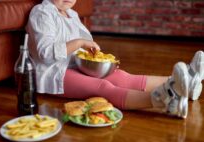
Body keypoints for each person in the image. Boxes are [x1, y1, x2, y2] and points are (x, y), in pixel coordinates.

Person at [26, 0, 204, 119]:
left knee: (123, 77)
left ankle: (187, 81)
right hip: (55, 72)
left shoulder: (72, 14)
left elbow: (85, 46)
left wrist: (97, 58)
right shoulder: (42, 12)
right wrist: (80, 42)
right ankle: (165, 100)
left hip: (75, 66)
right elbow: (46, 52)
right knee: (103, 88)